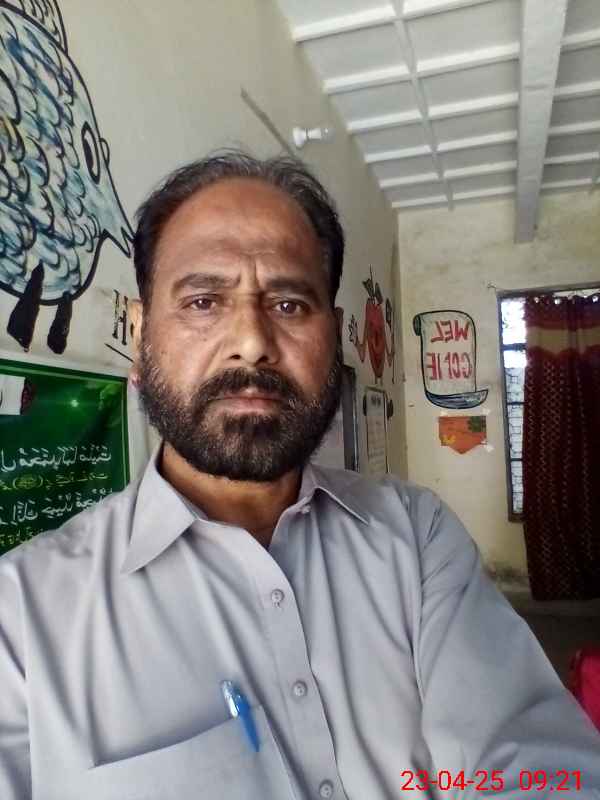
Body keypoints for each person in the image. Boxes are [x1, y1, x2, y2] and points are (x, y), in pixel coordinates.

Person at [1, 150, 599, 800]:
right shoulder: (21, 620)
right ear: (141, 339)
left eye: (289, 304)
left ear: (333, 337)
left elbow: (539, 763)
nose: (252, 341)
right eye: (203, 301)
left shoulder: (416, 535)